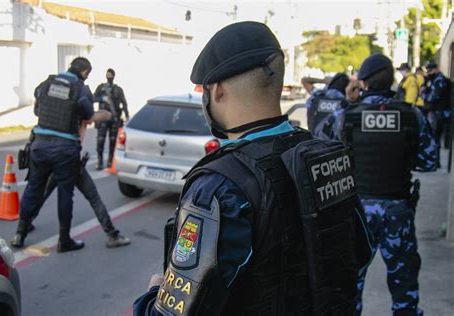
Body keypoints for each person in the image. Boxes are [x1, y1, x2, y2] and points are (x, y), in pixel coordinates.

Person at [132, 21, 373, 316]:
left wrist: (153, 294)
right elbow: (360, 253)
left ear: (216, 91)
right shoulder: (323, 156)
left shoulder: (219, 187)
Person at [316, 53, 438, 316]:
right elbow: (429, 161)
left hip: (357, 213)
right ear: (392, 79)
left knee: (348, 287)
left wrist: (347, 102)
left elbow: (319, 140)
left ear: (362, 83)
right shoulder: (411, 115)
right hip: (398, 212)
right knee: (404, 289)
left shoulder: (346, 116)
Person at [11, 57, 95, 253]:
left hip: (39, 145)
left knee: (33, 189)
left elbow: (37, 110)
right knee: (65, 194)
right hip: (65, 149)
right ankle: (64, 240)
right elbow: (88, 114)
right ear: (84, 73)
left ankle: (19, 234)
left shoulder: (46, 84)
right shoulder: (80, 89)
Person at [25, 111, 131, 249]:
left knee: (43, 193)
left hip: (55, 161)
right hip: (71, 162)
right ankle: (112, 234)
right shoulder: (77, 111)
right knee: (93, 198)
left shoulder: (57, 114)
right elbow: (98, 116)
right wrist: (109, 114)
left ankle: (26, 224)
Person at [94, 68, 129, 170]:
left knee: (113, 141)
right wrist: (102, 99)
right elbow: (92, 98)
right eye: (107, 74)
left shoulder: (118, 89)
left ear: (113, 76)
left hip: (114, 118)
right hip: (103, 117)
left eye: (110, 75)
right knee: (100, 140)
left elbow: (124, 103)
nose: (109, 77)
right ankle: (100, 161)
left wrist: (127, 117)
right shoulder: (101, 88)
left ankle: (110, 161)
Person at [424, 61, 452, 158]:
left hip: (440, 112)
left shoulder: (439, 80)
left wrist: (424, 95)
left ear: (436, 69)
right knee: (436, 137)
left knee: (436, 137)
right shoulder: (435, 79)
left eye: (430, 71)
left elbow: (433, 96)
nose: (429, 73)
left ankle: (436, 160)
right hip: (439, 111)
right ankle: (436, 160)